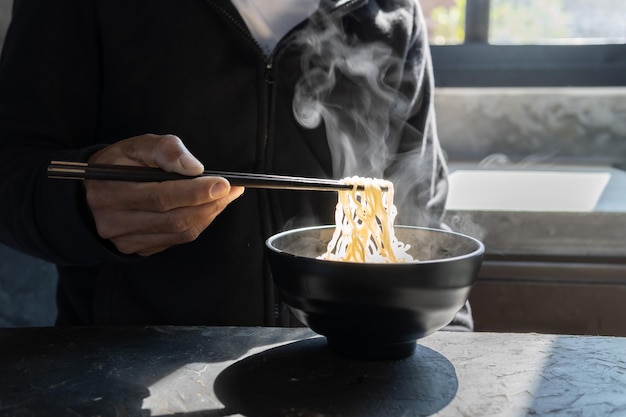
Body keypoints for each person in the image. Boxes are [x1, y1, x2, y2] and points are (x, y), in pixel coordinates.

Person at [0, 0, 471, 329]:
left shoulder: (392, 11)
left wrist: (449, 345)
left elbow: (424, 223)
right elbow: (13, 170)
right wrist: (82, 208)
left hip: (341, 368)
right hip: (125, 366)